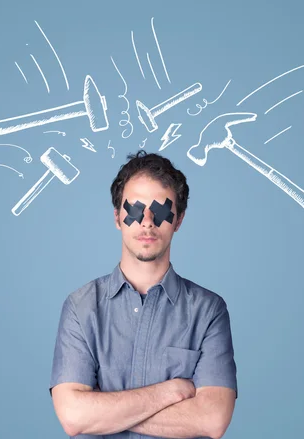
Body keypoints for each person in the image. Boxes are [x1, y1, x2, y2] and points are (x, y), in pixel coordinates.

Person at [49, 150, 237, 439]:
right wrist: (171, 391)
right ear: (117, 217)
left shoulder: (209, 311)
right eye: (135, 209)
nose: (147, 221)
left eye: (161, 210)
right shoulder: (80, 308)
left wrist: (105, 409)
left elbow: (212, 419)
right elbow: (74, 416)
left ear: (178, 220)